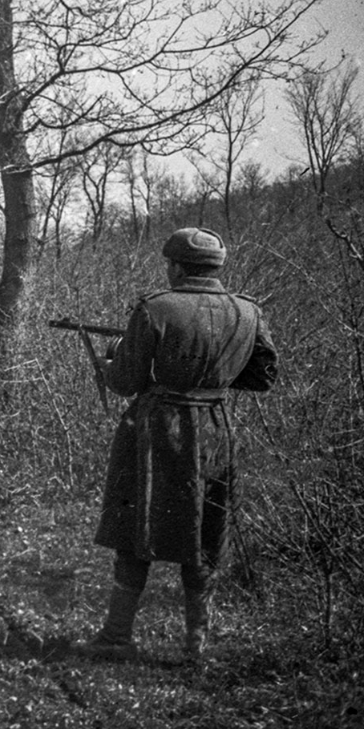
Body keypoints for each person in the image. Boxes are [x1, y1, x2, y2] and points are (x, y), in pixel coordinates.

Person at [84, 227, 278, 662]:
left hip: (155, 430)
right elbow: (263, 378)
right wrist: (213, 376)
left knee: (138, 529)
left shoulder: (156, 307)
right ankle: (196, 646)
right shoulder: (248, 311)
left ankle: (116, 637)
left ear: (174, 267)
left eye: (168, 265)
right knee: (206, 532)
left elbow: (127, 381)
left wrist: (109, 362)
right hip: (215, 431)